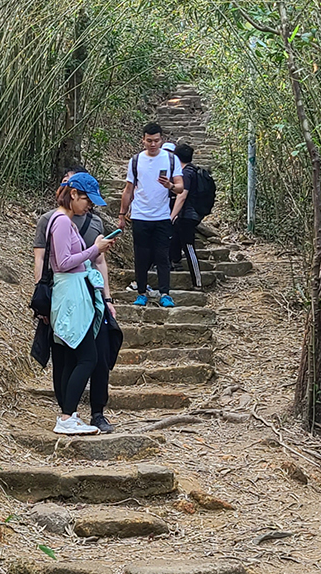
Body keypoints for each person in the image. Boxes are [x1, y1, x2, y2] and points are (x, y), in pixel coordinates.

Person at [33, 170, 118, 433]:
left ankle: (69, 415)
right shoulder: (60, 221)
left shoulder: (64, 221)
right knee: (86, 358)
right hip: (70, 294)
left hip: (76, 291)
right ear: (73, 195)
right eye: (86, 200)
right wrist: (95, 249)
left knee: (84, 357)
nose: (89, 206)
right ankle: (66, 417)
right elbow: (63, 262)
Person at [119, 122, 185, 308]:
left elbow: (180, 187)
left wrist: (170, 186)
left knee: (163, 256)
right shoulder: (136, 161)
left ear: (161, 140)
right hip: (140, 215)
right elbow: (128, 189)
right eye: (149, 141)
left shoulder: (171, 160)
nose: (153, 144)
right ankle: (141, 292)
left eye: (156, 140)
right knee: (141, 256)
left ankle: (165, 293)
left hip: (162, 216)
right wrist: (122, 215)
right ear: (143, 140)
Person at [167, 142, 203, 289]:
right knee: (174, 238)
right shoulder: (190, 170)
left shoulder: (187, 173)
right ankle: (174, 263)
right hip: (185, 215)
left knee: (189, 247)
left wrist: (172, 215)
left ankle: (198, 282)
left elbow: (182, 195)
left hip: (187, 215)